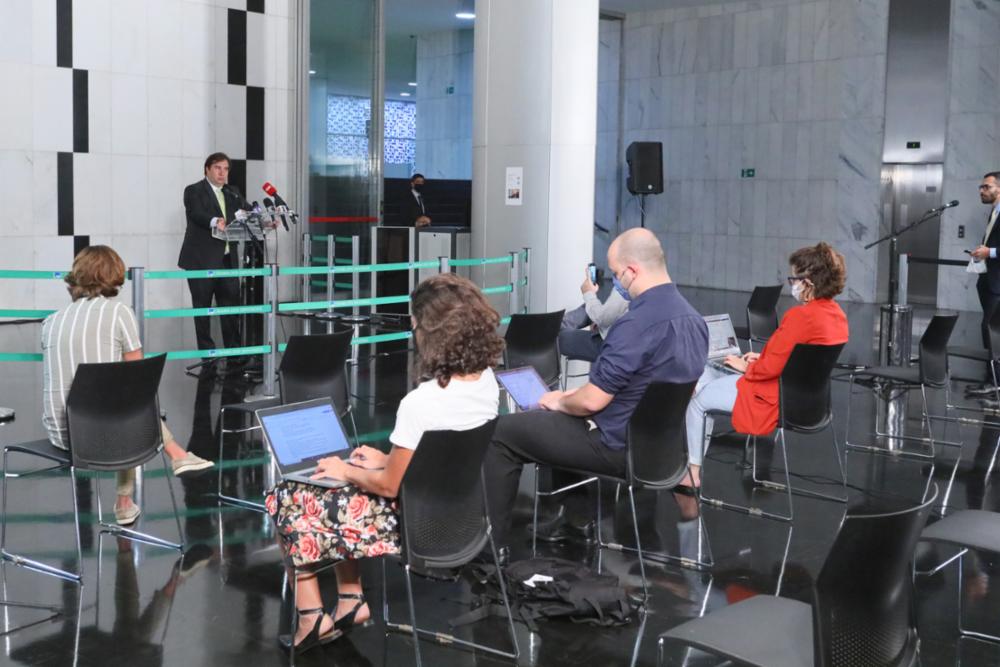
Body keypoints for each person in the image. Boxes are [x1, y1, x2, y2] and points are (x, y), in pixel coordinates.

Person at [265, 273, 504, 653]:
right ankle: (349, 601)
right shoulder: (488, 383)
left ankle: (312, 616)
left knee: (287, 498)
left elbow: (389, 487)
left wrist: (348, 470)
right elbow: (438, 458)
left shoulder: (422, 402)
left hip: (412, 527)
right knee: (341, 484)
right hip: (462, 518)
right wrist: (382, 460)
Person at [483, 228, 709, 551]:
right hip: (663, 451)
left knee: (502, 432)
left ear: (632, 271)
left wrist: (560, 401)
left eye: (617, 274)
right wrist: (567, 403)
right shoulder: (694, 319)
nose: (616, 281)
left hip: (616, 447)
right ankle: (576, 519)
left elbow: (591, 401)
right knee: (557, 418)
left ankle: (491, 544)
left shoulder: (635, 325)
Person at [41, 246, 215, 526]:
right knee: (131, 403)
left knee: (121, 407)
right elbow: (138, 382)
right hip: (101, 435)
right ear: (113, 275)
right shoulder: (119, 313)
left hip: (60, 435)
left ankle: (134, 495)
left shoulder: (50, 322)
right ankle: (171, 459)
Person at [683, 242, 849, 487]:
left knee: (699, 400)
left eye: (794, 278)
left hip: (775, 399)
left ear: (809, 282)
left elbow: (769, 370)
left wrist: (746, 366)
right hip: (812, 404)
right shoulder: (837, 316)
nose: (791, 284)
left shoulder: (800, 316)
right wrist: (760, 359)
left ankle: (692, 473)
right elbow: (802, 360)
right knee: (710, 376)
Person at [177, 152, 251, 353]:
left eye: (226, 169)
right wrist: (214, 221)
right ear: (207, 169)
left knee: (230, 310)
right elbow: (196, 213)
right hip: (201, 260)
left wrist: (265, 220)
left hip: (227, 259)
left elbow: (248, 210)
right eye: (218, 168)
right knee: (203, 311)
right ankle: (207, 356)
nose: (222, 173)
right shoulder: (193, 190)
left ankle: (234, 354)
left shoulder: (232, 192)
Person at [558, 265, 629, 363]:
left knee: (557, 337)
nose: (615, 278)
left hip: (609, 345)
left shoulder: (628, 288)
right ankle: (557, 325)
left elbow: (602, 318)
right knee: (588, 311)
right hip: (617, 336)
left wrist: (589, 293)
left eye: (616, 273)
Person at [969, 171, 1000, 385]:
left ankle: (994, 383)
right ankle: (991, 380)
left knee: (992, 330)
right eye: (981, 186)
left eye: (987, 187)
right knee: (989, 329)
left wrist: (989, 252)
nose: (982, 190)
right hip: (989, 280)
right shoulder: (995, 211)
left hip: (998, 283)